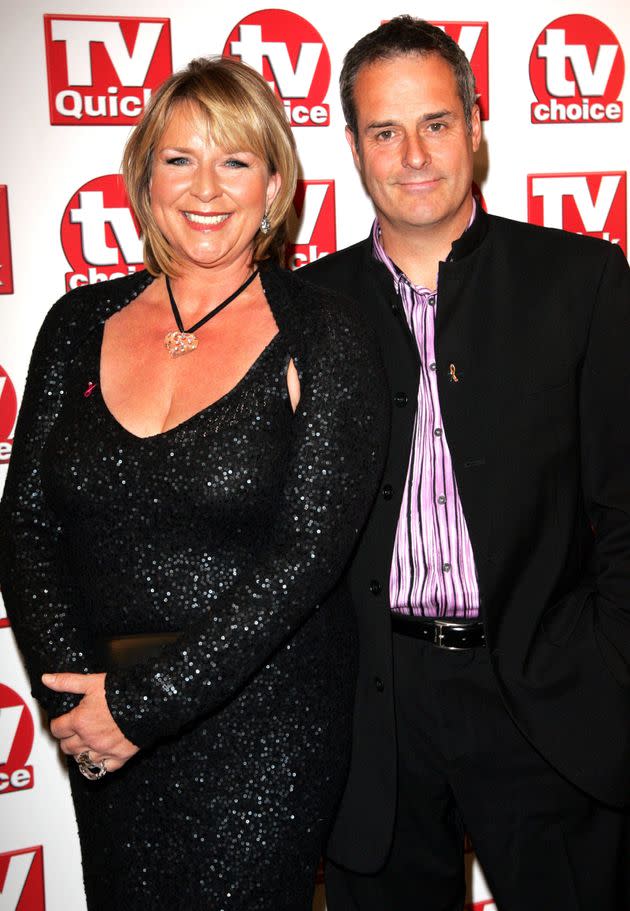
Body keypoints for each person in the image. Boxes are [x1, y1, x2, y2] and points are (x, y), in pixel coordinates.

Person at [0, 57, 387, 910]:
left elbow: (303, 560)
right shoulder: (76, 326)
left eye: (236, 160)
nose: (205, 188)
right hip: (104, 731)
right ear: (144, 177)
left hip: (263, 731)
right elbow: (26, 524)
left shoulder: (323, 332)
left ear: (275, 181)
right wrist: (80, 701)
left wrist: (142, 706)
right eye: (179, 159)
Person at [303, 15, 630, 911]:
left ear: (477, 127)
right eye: (384, 130)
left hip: (546, 695)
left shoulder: (583, 282)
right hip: (377, 709)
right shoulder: (306, 307)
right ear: (355, 147)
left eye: (436, 123)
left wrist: (612, 672)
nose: (413, 153)